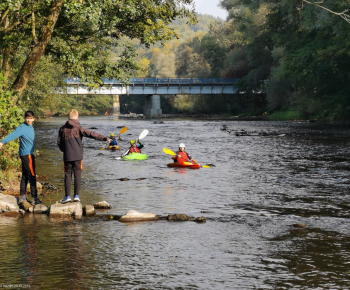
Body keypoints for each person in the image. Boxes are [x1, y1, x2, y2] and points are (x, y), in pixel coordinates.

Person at [57, 109, 111, 203]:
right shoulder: (79, 128)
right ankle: (76, 196)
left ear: (68, 117)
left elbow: (59, 142)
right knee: (78, 175)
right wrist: (105, 138)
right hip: (78, 155)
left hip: (67, 156)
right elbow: (91, 134)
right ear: (77, 117)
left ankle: (67, 197)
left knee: (67, 175)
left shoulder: (62, 129)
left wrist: (64, 150)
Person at [0, 111, 43, 205]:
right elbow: (13, 135)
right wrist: (2, 142)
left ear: (33, 119)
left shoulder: (31, 127)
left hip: (27, 154)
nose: (29, 120)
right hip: (27, 154)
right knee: (32, 175)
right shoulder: (22, 128)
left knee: (24, 175)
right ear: (25, 118)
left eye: (31, 118)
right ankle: (34, 198)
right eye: (27, 118)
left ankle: (22, 197)